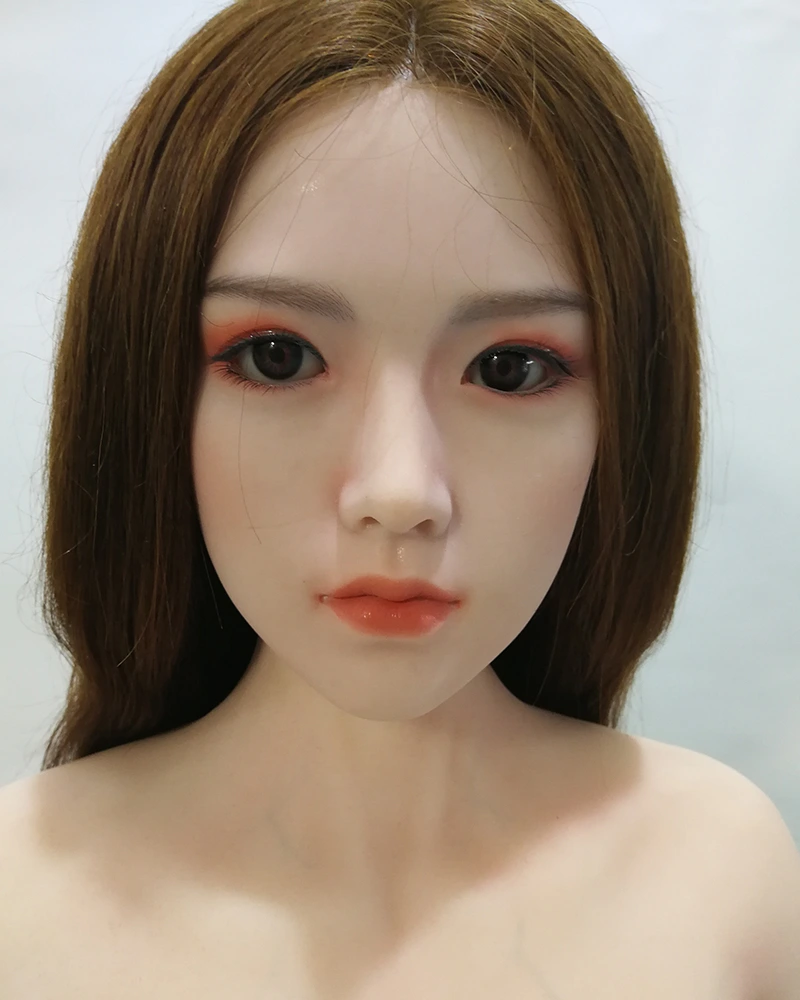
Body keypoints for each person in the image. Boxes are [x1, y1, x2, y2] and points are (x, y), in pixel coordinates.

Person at [1, 1, 798, 996]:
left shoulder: (718, 881)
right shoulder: (19, 902)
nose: (398, 492)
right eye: (277, 356)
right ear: (141, 388)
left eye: (509, 368)